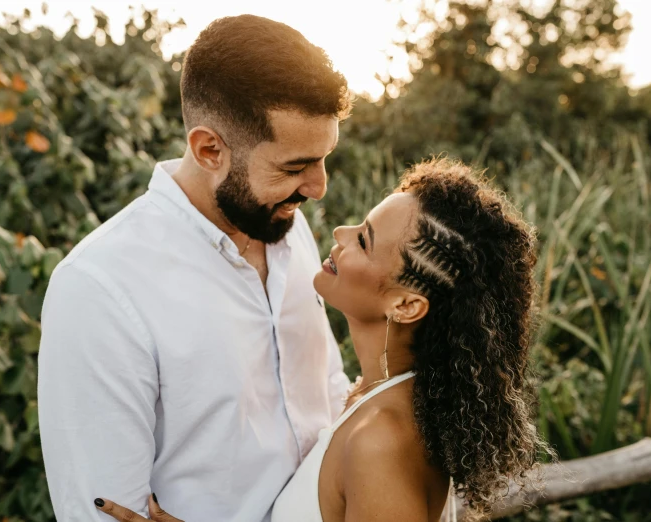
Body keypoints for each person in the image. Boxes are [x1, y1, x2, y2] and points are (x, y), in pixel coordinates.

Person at [93, 159, 553, 522]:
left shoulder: (383, 443)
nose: (340, 234)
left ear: (405, 305)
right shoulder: (382, 398)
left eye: (365, 241)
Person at [37, 15, 352, 522]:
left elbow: (325, 392)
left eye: (323, 158)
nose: (319, 187)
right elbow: (101, 511)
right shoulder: (100, 287)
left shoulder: (289, 228)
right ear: (210, 149)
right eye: (294, 167)